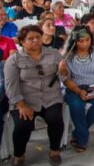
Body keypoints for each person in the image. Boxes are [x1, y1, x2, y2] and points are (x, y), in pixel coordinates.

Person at [4, 25, 64, 165]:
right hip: (24, 100)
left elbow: (63, 77)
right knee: (23, 125)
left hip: (50, 97)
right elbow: (11, 85)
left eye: (38, 37)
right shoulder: (14, 60)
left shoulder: (54, 53)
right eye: (30, 39)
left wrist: (64, 71)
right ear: (22, 42)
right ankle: (19, 154)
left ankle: (54, 150)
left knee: (55, 119)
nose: (36, 41)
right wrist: (21, 105)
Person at [58, 25, 94, 153]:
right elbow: (66, 80)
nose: (85, 43)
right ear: (74, 42)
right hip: (75, 88)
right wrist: (78, 90)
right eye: (81, 41)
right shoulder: (67, 55)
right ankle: (82, 139)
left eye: (88, 40)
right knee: (76, 105)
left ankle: (78, 133)